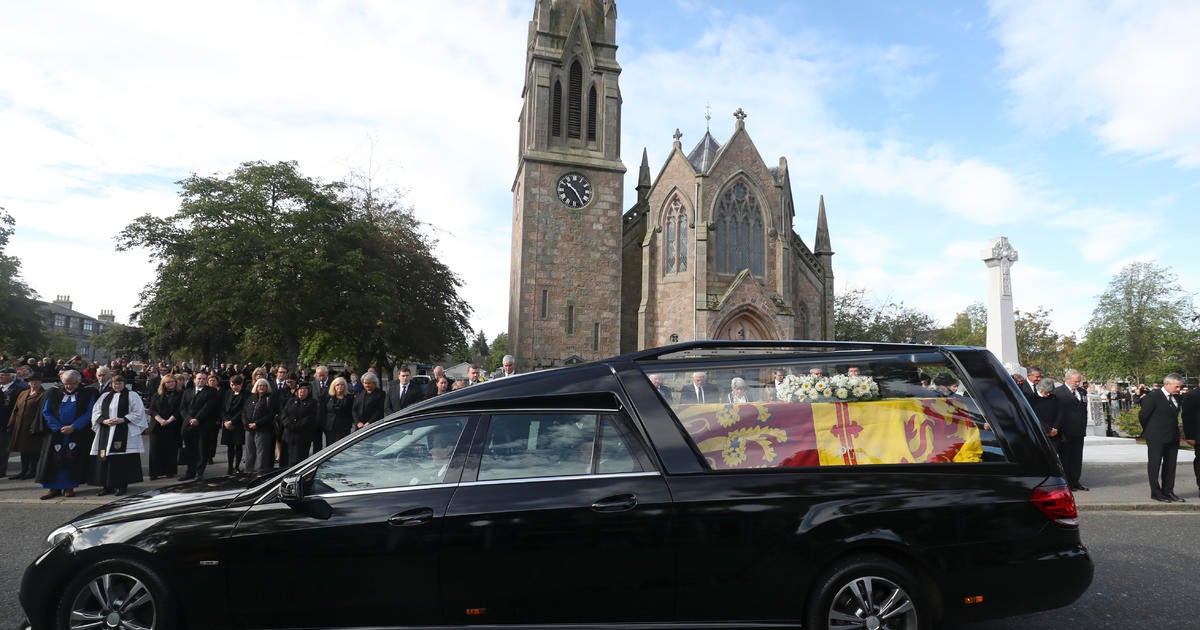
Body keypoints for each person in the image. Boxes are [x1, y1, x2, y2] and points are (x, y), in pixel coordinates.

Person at [35, 370, 97, 499]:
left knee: (71, 459)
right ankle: (53, 488)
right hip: (55, 433)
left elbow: (89, 412)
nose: (69, 387)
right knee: (53, 460)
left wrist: (74, 426)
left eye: (72, 384)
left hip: (75, 433)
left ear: (78, 381)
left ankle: (69, 487)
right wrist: (58, 427)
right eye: (66, 384)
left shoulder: (87, 393)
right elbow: (46, 412)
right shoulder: (53, 392)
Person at [89, 374, 146, 496]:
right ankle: (106, 486)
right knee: (105, 458)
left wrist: (123, 419)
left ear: (124, 384)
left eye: (120, 383)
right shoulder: (105, 396)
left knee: (120, 460)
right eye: (115, 383)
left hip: (123, 430)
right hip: (106, 431)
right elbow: (96, 411)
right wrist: (103, 421)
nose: (117, 385)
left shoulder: (132, 395)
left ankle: (121, 486)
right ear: (111, 384)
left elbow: (138, 412)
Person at [1139, 373, 1185, 502]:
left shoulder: (1177, 398)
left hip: (1172, 436)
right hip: (1156, 437)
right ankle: (1156, 492)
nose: (1178, 390)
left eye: (1180, 387)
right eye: (1176, 387)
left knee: (1170, 465)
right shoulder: (1153, 397)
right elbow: (1143, 416)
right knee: (1155, 465)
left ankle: (1168, 491)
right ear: (1167, 384)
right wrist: (1150, 431)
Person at [1053, 369, 1089, 491]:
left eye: (1079, 381)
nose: (1078, 384)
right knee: (1066, 458)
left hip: (1079, 431)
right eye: (1075, 381)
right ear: (1067, 379)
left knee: (1077, 458)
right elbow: (1056, 412)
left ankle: (1075, 481)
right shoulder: (1058, 392)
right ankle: (1067, 483)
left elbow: (1084, 410)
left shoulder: (1082, 392)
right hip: (1065, 431)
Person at [179, 371, 219, 482]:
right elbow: (183, 408)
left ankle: (199, 473)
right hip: (188, 425)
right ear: (194, 380)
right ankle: (190, 472)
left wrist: (197, 419)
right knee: (189, 450)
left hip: (203, 425)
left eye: (203, 379)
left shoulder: (211, 391)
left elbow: (208, 407)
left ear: (206, 381)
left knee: (202, 450)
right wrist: (189, 419)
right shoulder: (187, 392)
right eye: (199, 378)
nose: (201, 380)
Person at [6, 372, 46, 480]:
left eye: (37, 382)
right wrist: (11, 424)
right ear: (28, 383)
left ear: (41, 382)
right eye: (32, 382)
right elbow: (15, 409)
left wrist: (37, 426)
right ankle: (23, 470)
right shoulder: (23, 393)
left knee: (33, 450)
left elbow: (42, 412)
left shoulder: (43, 394)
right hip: (20, 426)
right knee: (23, 450)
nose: (34, 384)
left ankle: (32, 471)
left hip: (33, 426)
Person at [147, 373, 182, 480]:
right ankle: (154, 473)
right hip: (157, 425)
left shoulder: (180, 394)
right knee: (155, 449)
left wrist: (168, 421)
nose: (170, 384)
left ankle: (169, 471)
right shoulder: (157, 394)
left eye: (172, 382)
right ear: (163, 384)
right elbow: (152, 409)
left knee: (170, 449)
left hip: (172, 425)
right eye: (168, 382)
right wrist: (161, 420)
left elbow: (179, 410)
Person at [0, 367, 29, 477]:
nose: (0, 377)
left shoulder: (18, 389)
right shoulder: (1, 388)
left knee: (3, 448)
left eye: (3, 375)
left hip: (7, 422)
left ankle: (1, 470)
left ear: (11, 377)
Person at [243, 378, 277, 473]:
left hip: (263, 429)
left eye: (263, 385)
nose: (261, 387)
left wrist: (257, 424)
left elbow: (271, 414)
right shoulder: (250, 398)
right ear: (256, 387)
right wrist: (247, 423)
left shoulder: (270, 398)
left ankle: (260, 472)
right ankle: (248, 472)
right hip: (249, 429)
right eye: (259, 385)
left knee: (261, 453)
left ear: (267, 387)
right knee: (250, 453)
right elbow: (244, 412)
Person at [279, 382, 317, 466]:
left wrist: (296, 426)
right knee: (285, 460)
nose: (301, 391)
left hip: (302, 436)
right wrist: (287, 424)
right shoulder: (291, 400)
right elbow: (284, 413)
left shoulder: (313, 403)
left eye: (304, 390)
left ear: (308, 391)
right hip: (288, 435)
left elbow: (310, 418)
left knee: (298, 460)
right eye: (300, 389)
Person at [220, 374, 248, 475]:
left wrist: (232, 421)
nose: (234, 387)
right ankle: (230, 467)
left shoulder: (245, 394)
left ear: (241, 384)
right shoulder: (227, 393)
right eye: (232, 384)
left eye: (237, 385)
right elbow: (222, 408)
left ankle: (236, 466)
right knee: (230, 446)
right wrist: (226, 421)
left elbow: (243, 410)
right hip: (227, 423)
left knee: (238, 445)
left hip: (238, 424)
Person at [1030, 378, 1060, 444]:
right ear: (1041, 389)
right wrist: (1047, 430)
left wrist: (1055, 428)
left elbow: (1059, 414)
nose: (1048, 394)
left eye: (1050, 392)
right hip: (1039, 433)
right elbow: (1032, 417)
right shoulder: (1031, 399)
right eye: (1046, 392)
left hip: (1054, 433)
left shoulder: (1054, 398)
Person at [325, 377, 355, 442]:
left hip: (344, 428)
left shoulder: (350, 398)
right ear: (334, 386)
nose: (340, 387)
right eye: (337, 385)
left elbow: (352, 412)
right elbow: (324, 411)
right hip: (330, 428)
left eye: (342, 385)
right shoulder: (328, 397)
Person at [310, 365, 331, 454]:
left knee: (330, 442)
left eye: (323, 375)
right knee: (316, 443)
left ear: (327, 374)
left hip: (328, 418)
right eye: (319, 375)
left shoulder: (333, 383)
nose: (321, 377)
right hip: (316, 419)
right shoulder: (312, 384)